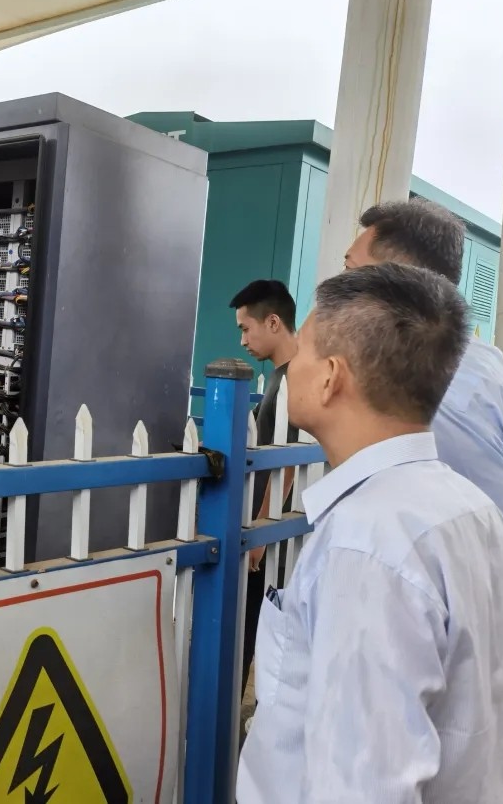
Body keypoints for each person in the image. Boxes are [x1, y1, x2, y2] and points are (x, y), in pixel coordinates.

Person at [238, 263, 503, 801]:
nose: (290, 365)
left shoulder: (367, 544)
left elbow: (362, 787)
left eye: (303, 351)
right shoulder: (477, 513)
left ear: (330, 376)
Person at [343, 198, 503, 693]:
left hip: (465, 663)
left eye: (351, 271)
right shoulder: (491, 365)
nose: (338, 290)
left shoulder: (439, 398)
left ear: (396, 282)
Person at [227, 279, 299, 699]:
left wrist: (260, 532)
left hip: (269, 544)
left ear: (273, 322)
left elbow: (287, 463)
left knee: (253, 638)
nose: (242, 340)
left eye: (246, 328)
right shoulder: (277, 379)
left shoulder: (293, 380)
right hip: (264, 535)